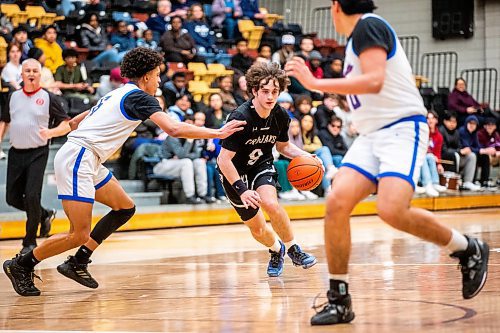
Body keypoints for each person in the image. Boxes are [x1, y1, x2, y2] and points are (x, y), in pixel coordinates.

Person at [285, 0, 489, 326]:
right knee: (337, 201)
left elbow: (375, 80)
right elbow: (373, 91)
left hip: (402, 128)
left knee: (391, 209)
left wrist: (315, 84)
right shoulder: (355, 43)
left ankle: (468, 248)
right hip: (371, 135)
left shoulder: (368, 26)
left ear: (336, 6)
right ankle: (339, 298)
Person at [3, 47, 245, 296]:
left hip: (88, 157)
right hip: (79, 157)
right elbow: (172, 128)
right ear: (147, 75)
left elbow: (83, 116)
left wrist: (77, 123)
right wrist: (217, 132)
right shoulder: (140, 97)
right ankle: (21, 264)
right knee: (78, 234)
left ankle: (79, 261)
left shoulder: (121, 92)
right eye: (158, 74)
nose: (160, 80)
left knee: (125, 207)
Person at [217, 62, 317, 277]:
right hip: (234, 173)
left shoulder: (280, 115)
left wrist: (307, 157)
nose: (270, 97)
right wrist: (242, 190)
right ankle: (276, 249)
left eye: (275, 91)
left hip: (261, 165)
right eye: (265, 91)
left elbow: (283, 147)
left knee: (271, 203)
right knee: (258, 228)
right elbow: (224, 160)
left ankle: (293, 248)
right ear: (254, 91)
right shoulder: (240, 118)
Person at [3, 59, 70, 254]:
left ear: (39, 75)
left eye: (35, 71)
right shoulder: (13, 97)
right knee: (12, 198)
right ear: (21, 75)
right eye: (27, 71)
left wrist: (50, 133)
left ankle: (29, 242)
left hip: (38, 153)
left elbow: (66, 123)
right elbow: (4, 121)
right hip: (16, 152)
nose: (31, 74)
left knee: (32, 195)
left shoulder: (49, 98)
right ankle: (44, 214)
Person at [439, 112, 481, 191]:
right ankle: (454, 181)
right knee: (456, 155)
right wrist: (459, 151)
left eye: (454, 122)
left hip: (456, 157)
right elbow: (443, 150)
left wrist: (462, 151)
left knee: (471, 155)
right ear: (445, 121)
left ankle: (468, 182)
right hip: (445, 158)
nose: (452, 124)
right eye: (450, 121)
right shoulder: (441, 131)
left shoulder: (456, 132)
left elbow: (459, 146)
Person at [459, 115, 495, 188]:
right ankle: (470, 181)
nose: (472, 125)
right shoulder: (462, 131)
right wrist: (481, 150)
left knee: (485, 156)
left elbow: (477, 146)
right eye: (470, 123)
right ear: (466, 123)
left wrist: (486, 150)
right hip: (462, 155)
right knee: (474, 155)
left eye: (474, 124)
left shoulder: (474, 133)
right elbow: (467, 147)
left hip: (470, 153)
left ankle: (484, 181)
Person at [477, 118, 500, 189]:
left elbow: (498, 147)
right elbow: (479, 149)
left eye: (492, 125)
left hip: (494, 156)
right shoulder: (479, 134)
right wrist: (487, 150)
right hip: (482, 157)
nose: (490, 127)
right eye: (488, 125)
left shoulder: (496, 135)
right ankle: (484, 181)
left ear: (495, 127)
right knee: (486, 157)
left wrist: (497, 152)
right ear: (484, 126)